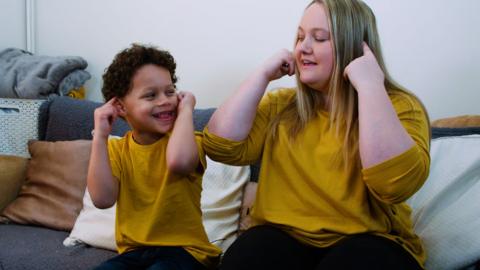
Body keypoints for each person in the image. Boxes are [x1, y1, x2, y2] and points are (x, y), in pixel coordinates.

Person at [203, 0, 430, 269]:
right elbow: (221, 146)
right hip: (281, 238)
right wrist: (261, 75)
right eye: (300, 37)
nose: (303, 48)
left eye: (319, 38)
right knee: (251, 253)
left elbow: (395, 184)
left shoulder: (400, 106)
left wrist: (370, 85)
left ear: (355, 47)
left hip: (370, 241)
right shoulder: (281, 105)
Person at [87, 44, 221, 270]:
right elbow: (102, 199)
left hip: (186, 252)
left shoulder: (189, 140)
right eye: (151, 95)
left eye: (170, 91)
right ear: (120, 106)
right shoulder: (118, 149)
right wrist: (100, 136)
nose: (165, 100)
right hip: (134, 252)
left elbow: (179, 162)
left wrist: (187, 110)